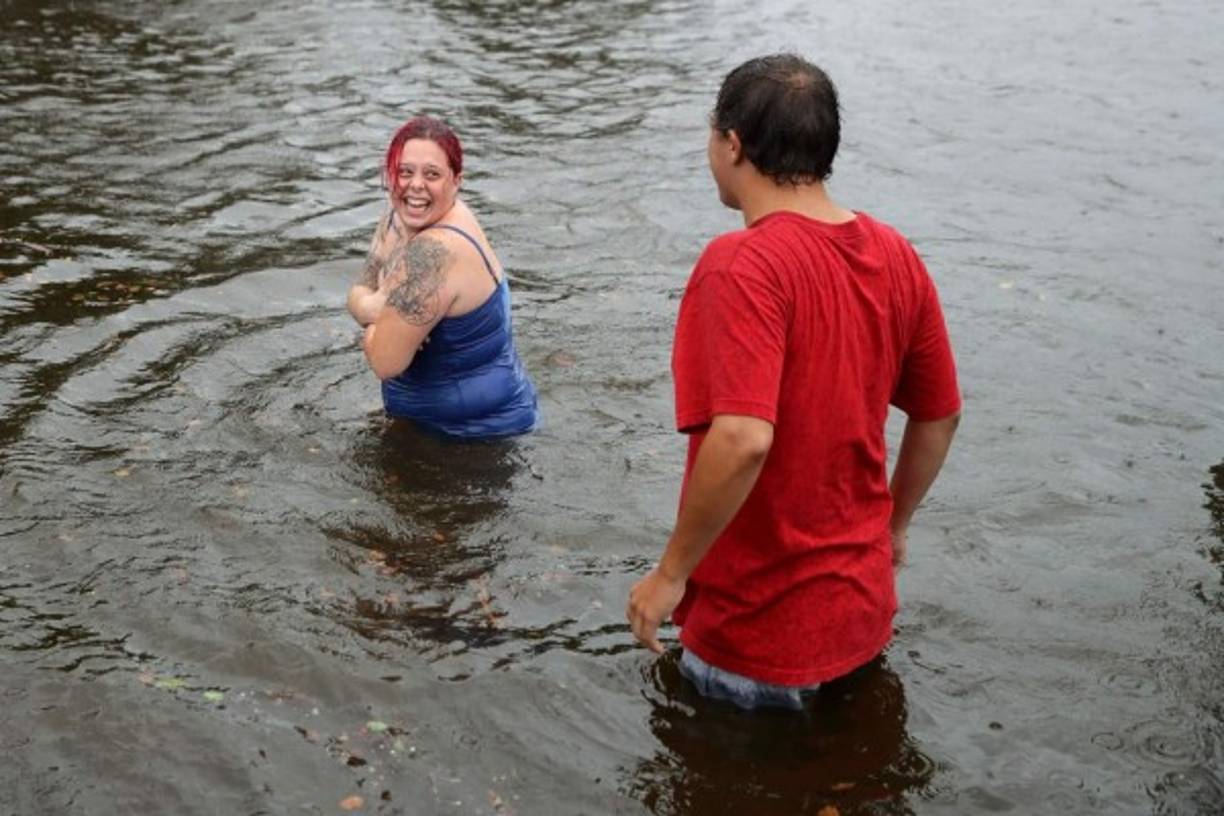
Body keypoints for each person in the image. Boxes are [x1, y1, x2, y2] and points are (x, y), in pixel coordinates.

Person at [626, 54, 961, 710]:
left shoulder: (740, 264)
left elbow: (745, 437)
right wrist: (894, 525)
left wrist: (670, 574)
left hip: (756, 636)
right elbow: (940, 416)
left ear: (732, 143)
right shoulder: (895, 253)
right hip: (864, 615)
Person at [347, 115, 539, 439]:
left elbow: (383, 361)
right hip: (441, 425)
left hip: (475, 442)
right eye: (405, 172)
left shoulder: (434, 252)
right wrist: (372, 310)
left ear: (456, 181)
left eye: (431, 174)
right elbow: (361, 288)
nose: (415, 185)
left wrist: (373, 323)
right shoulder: (399, 217)